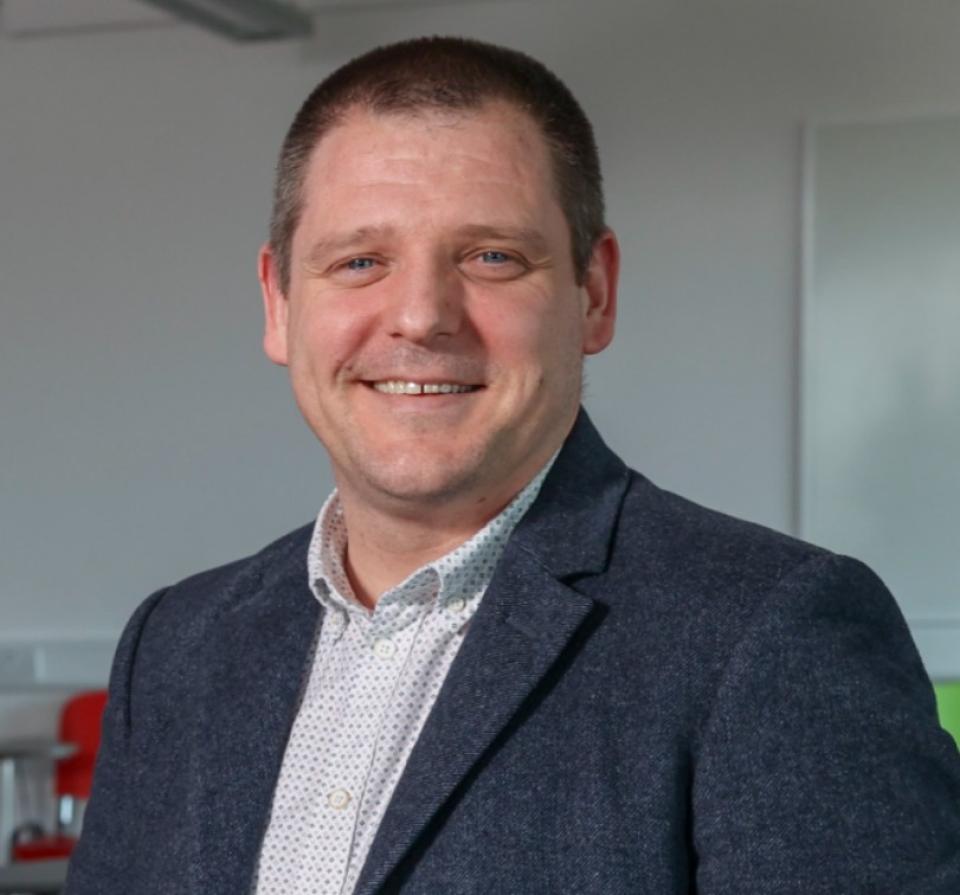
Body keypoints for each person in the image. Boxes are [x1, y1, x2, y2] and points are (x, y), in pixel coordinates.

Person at [65, 36, 960, 895]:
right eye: (360, 260)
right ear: (278, 303)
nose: (420, 315)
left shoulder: (775, 636)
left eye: (491, 256)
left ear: (594, 294)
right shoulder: (176, 645)